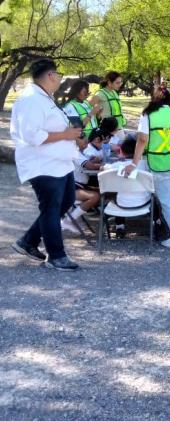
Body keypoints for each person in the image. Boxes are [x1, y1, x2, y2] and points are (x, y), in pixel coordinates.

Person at [10, 58, 84, 270]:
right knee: (51, 207)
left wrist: (72, 134)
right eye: (58, 74)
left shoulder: (46, 97)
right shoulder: (31, 99)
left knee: (66, 201)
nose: (60, 78)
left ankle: (28, 241)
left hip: (60, 162)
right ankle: (56, 256)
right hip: (43, 164)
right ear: (50, 76)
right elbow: (32, 135)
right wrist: (65, 134)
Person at [124, 86, 170, 248]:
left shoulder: (148, 115)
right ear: (169, 100)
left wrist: (134, 163)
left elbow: (142, 140)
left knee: (167, 200)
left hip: (160, 162)